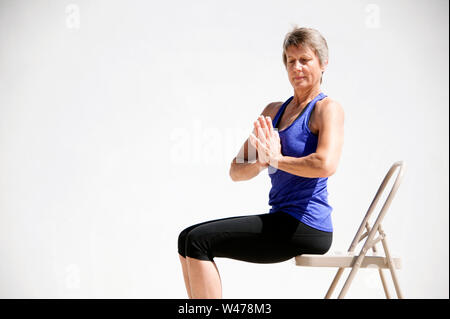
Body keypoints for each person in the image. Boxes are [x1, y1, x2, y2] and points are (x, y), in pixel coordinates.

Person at [177, 27, 345, 299]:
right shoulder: (272, 113)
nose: (297, 67)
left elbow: (326, 164)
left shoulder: (327, 109)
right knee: (186, 238)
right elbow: (235, 170)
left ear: (323, 64)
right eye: (291, 61)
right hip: (281, 218)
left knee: (198, 241)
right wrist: (261, 163)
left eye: (305, 60)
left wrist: (277, 159)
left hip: (308, 226)